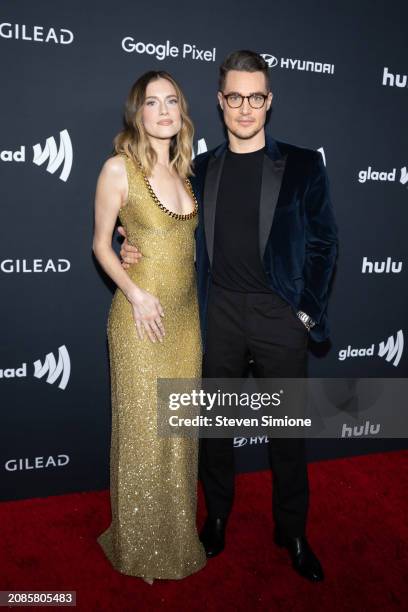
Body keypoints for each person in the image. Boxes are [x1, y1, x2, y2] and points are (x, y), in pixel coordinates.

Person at [120, 50, 338, 582]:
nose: (245, 107)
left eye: (255, 97)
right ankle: (215, 518)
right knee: (214, 431)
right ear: (220, 103)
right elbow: (162, 220)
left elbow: (324, 245)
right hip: (216, 316)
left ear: (269, 101)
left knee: (287, 434)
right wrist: (131, 240)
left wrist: (303, 315)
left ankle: (291, 531)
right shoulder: (200, 166)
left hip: (278, 318)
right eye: (235, 96)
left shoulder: (305, 164)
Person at [92, 70, 207, 584]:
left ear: (182, 111)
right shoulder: (120, 168)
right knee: (142, 432)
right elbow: (100, 244)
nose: (164, 111)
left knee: (179, 433)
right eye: (152, 102)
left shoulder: (187, 172)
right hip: (139, 320)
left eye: (172, 101)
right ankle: (138, 546)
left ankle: (179, 536)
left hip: (186, 321)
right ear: (137, 112)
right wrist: (135, 293)